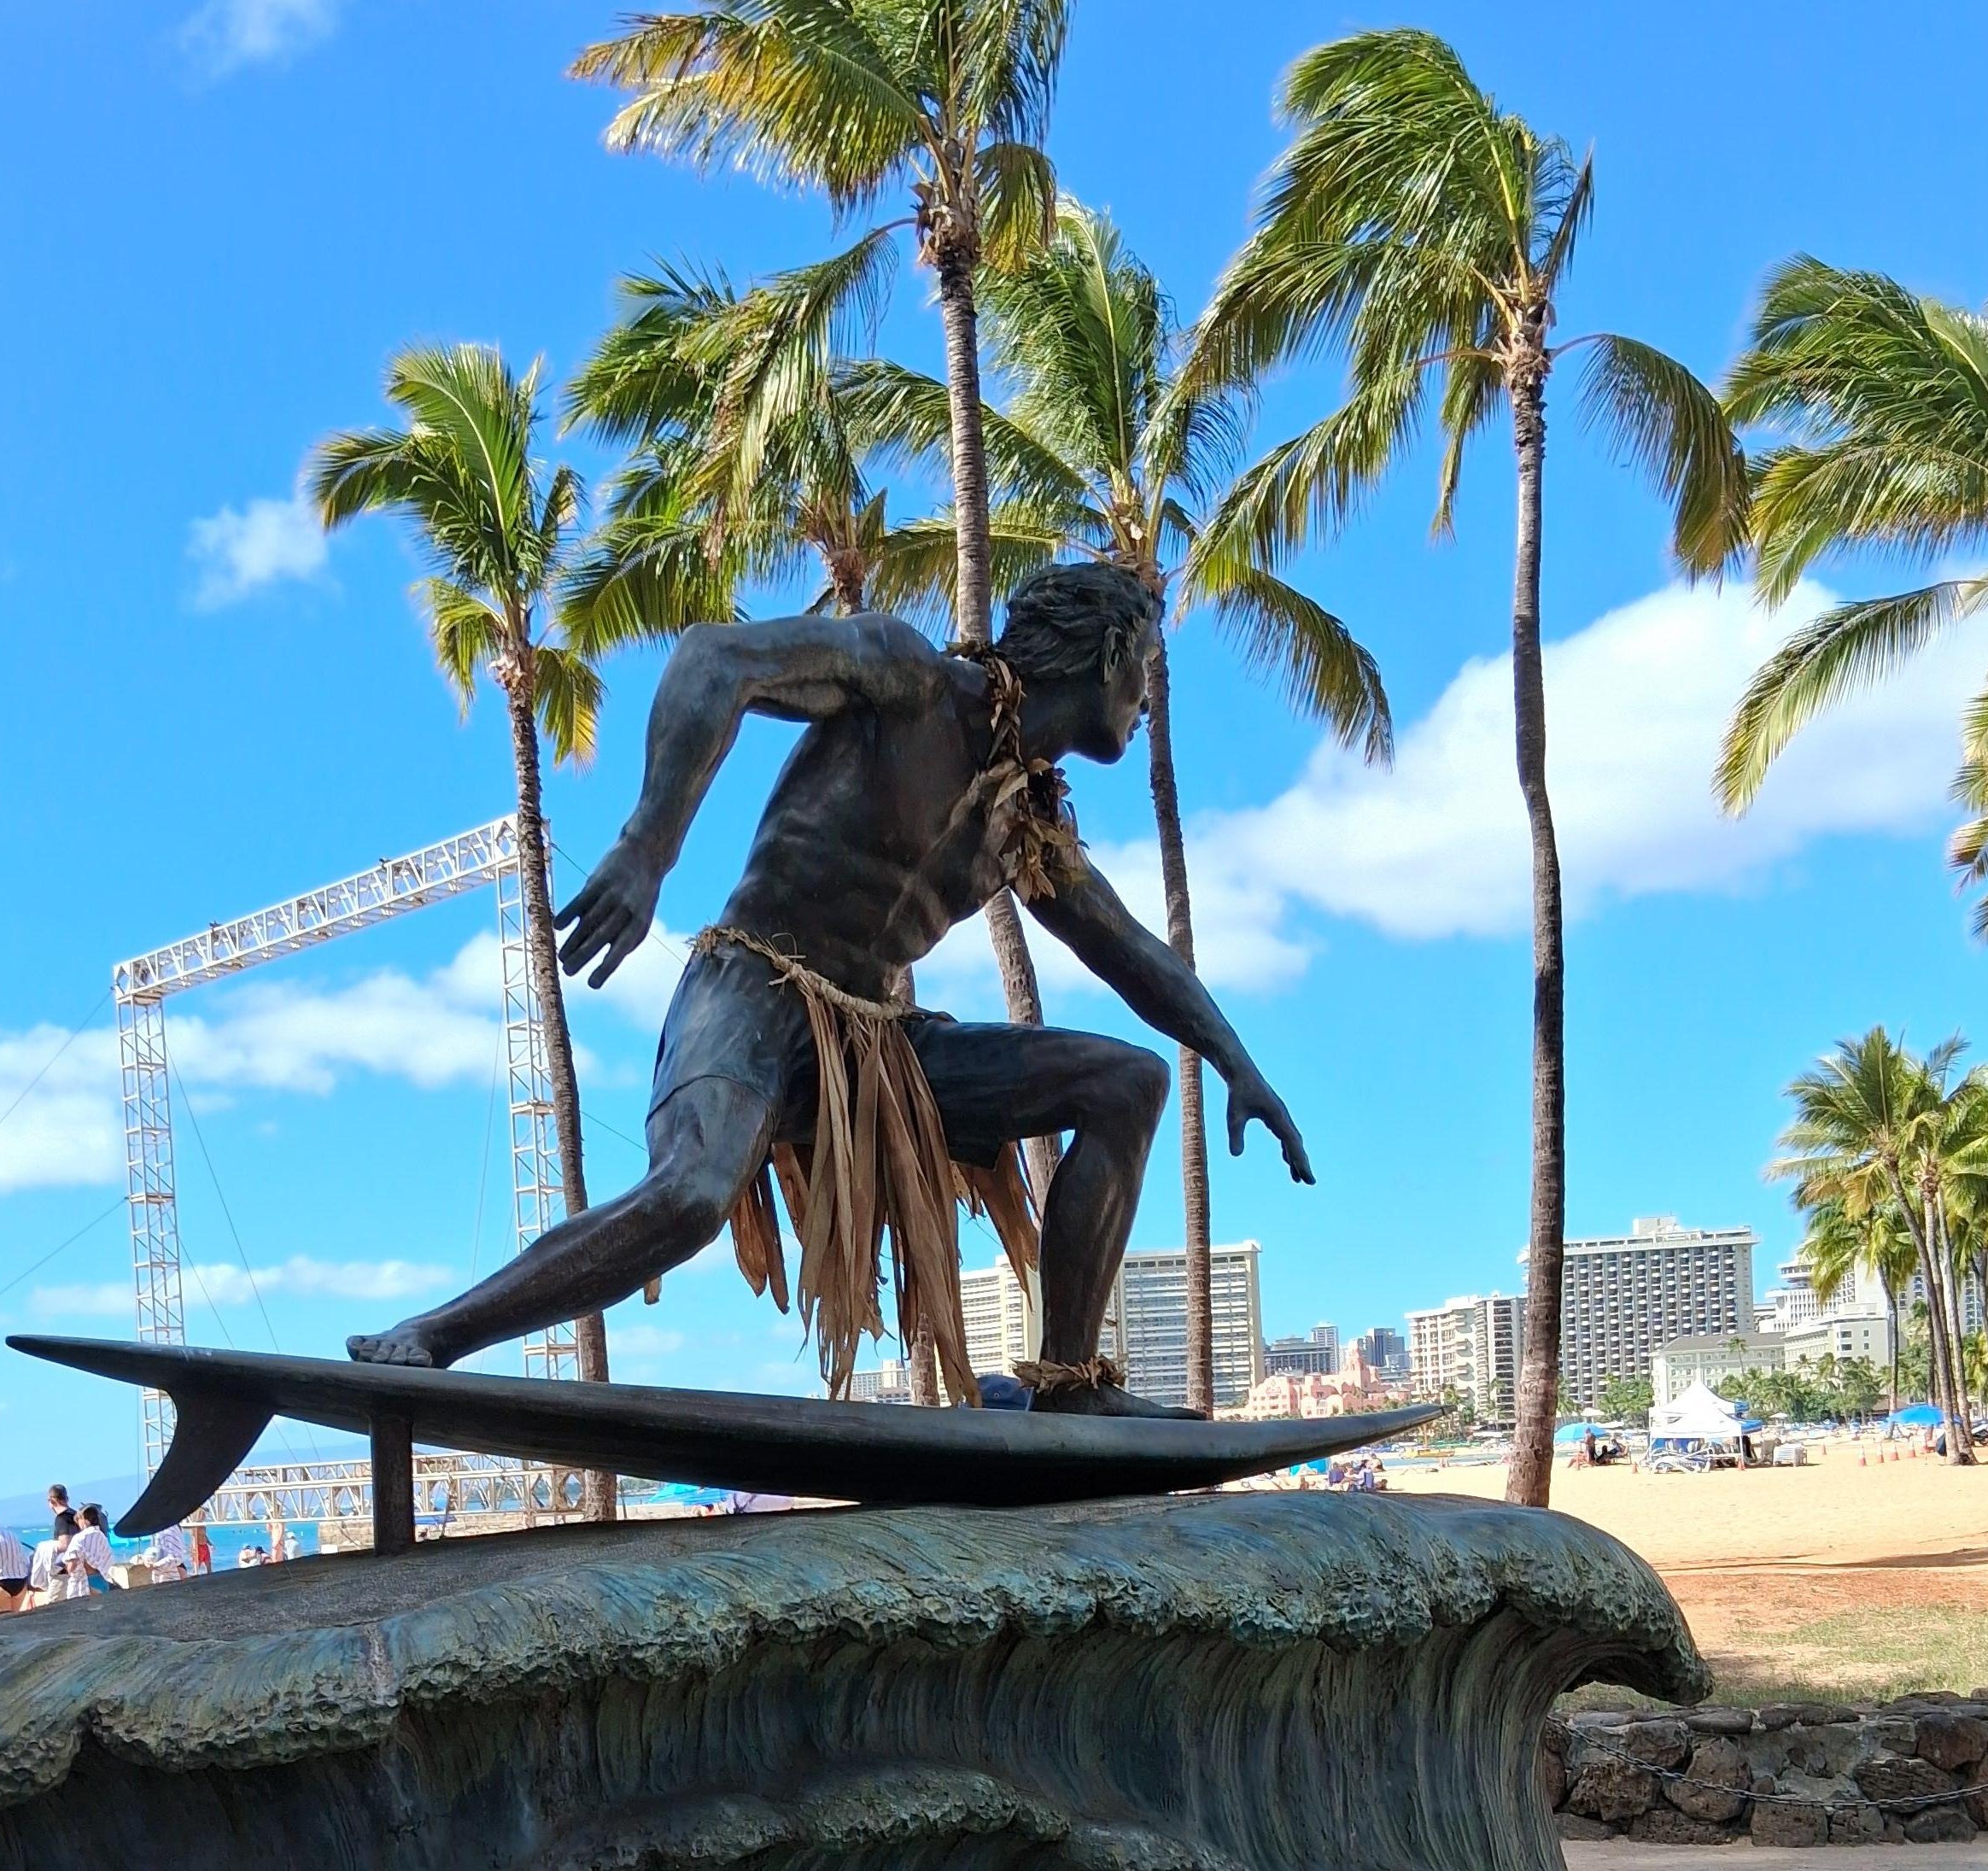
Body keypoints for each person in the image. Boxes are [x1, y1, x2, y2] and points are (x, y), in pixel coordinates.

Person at [344, 562, 1309, 1417]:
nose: (1148, 699)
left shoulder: (1029, 824)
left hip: (879, 1052)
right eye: (1146, 665)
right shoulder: (910, 680)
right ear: (1105, 656)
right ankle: (435, 1334)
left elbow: (1135, 952)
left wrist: (1238, 1063)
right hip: (754, 985)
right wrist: (648, 846)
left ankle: (1067, 1387)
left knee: (1128, 1083)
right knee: (689, 1196)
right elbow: (715, 661)